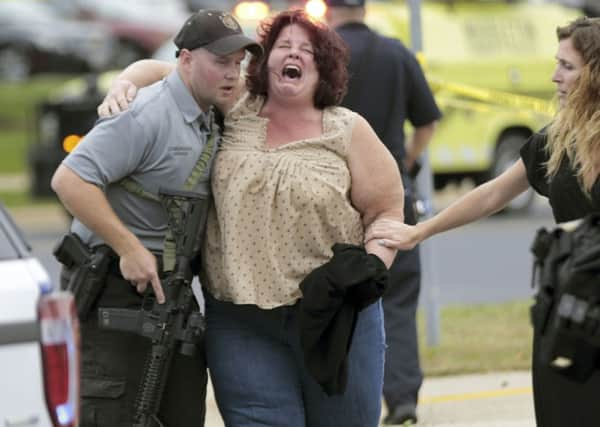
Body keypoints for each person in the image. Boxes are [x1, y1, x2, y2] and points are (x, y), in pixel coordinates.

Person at [98, 9, 405, 427]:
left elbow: (386, 211)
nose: (292, 54)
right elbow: (166, 70)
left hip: (335, 319)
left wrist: (371, 267)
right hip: (242, 323)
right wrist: (124, 83)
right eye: (283, 47)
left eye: (305, 49)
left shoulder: (348, 130)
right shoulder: (238, 104)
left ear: (323, 66)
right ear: (267, 61)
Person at [365, 16, 600, 427]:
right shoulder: (557, 140)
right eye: (556, 63)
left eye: (567, 66)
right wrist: (420, 230)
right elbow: (492, 193)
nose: (553, 76)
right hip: (571, 310)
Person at [51, 10, 262, 426]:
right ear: (186, 59)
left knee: (178, 412)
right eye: (221, 61)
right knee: (113, 413)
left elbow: (160, 69)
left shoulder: (208, 106)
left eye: (238, 63)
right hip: (116, 287)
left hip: (172, 294)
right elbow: (69, 179)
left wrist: (130, 75)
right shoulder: (144, 113)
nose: (232, 73)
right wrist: (127, 247)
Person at [324, 0, 441, 424]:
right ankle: (403, 397)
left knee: (335, 302)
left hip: (331, 199)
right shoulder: (396, 53)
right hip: (393, 199)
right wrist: (404, 164)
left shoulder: (318, 55)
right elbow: (427, 123)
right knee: (398, 298)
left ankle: (346, 401)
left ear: (329, 8)